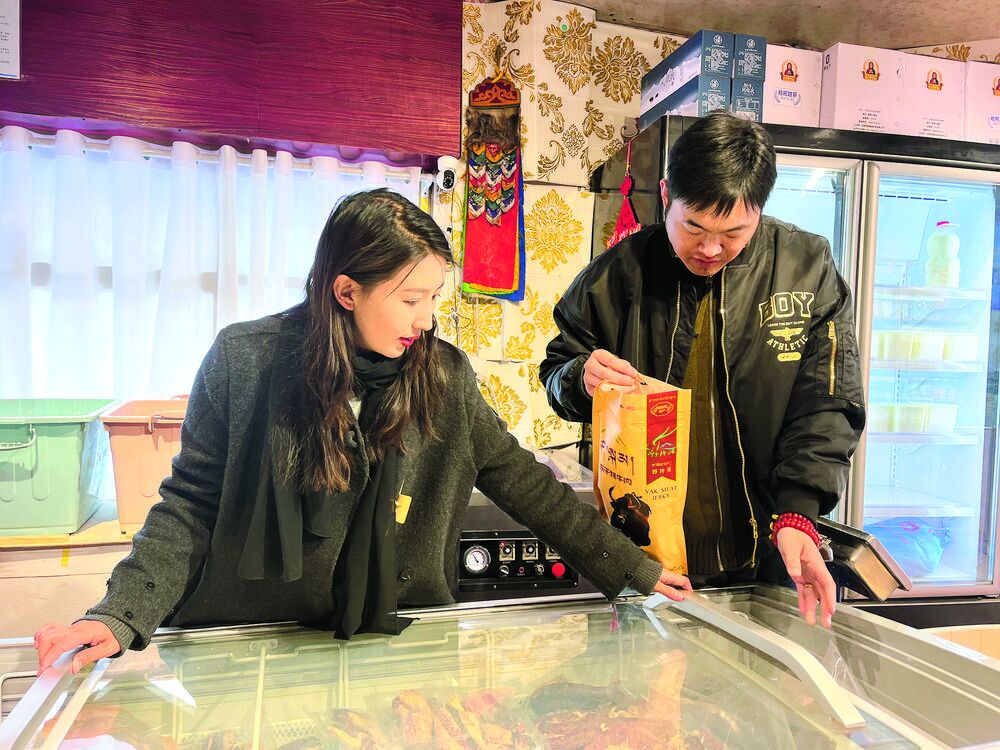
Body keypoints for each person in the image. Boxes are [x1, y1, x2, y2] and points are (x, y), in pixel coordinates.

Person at [36, 190, 687, 675]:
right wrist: (120, 612)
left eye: (434, 298)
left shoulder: (443, 376)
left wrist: (632, 569)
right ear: (346, 291)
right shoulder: (244, 362)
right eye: (410, 300)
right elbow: (189, 504)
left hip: (395, 648)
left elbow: (524, 482)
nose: (426, 321)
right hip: (252, 648)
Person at [540, 113, 865, 628]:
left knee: (770, 676)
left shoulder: (806, 267)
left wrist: (799, 510)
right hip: (647, 557)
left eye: (734, 233)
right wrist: (581, 377)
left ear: (760, 210)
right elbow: (558, 373)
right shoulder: (620, 272)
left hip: (770, 548)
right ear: (666, 194)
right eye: (693, 227)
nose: (711, 249)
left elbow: (827, 405)